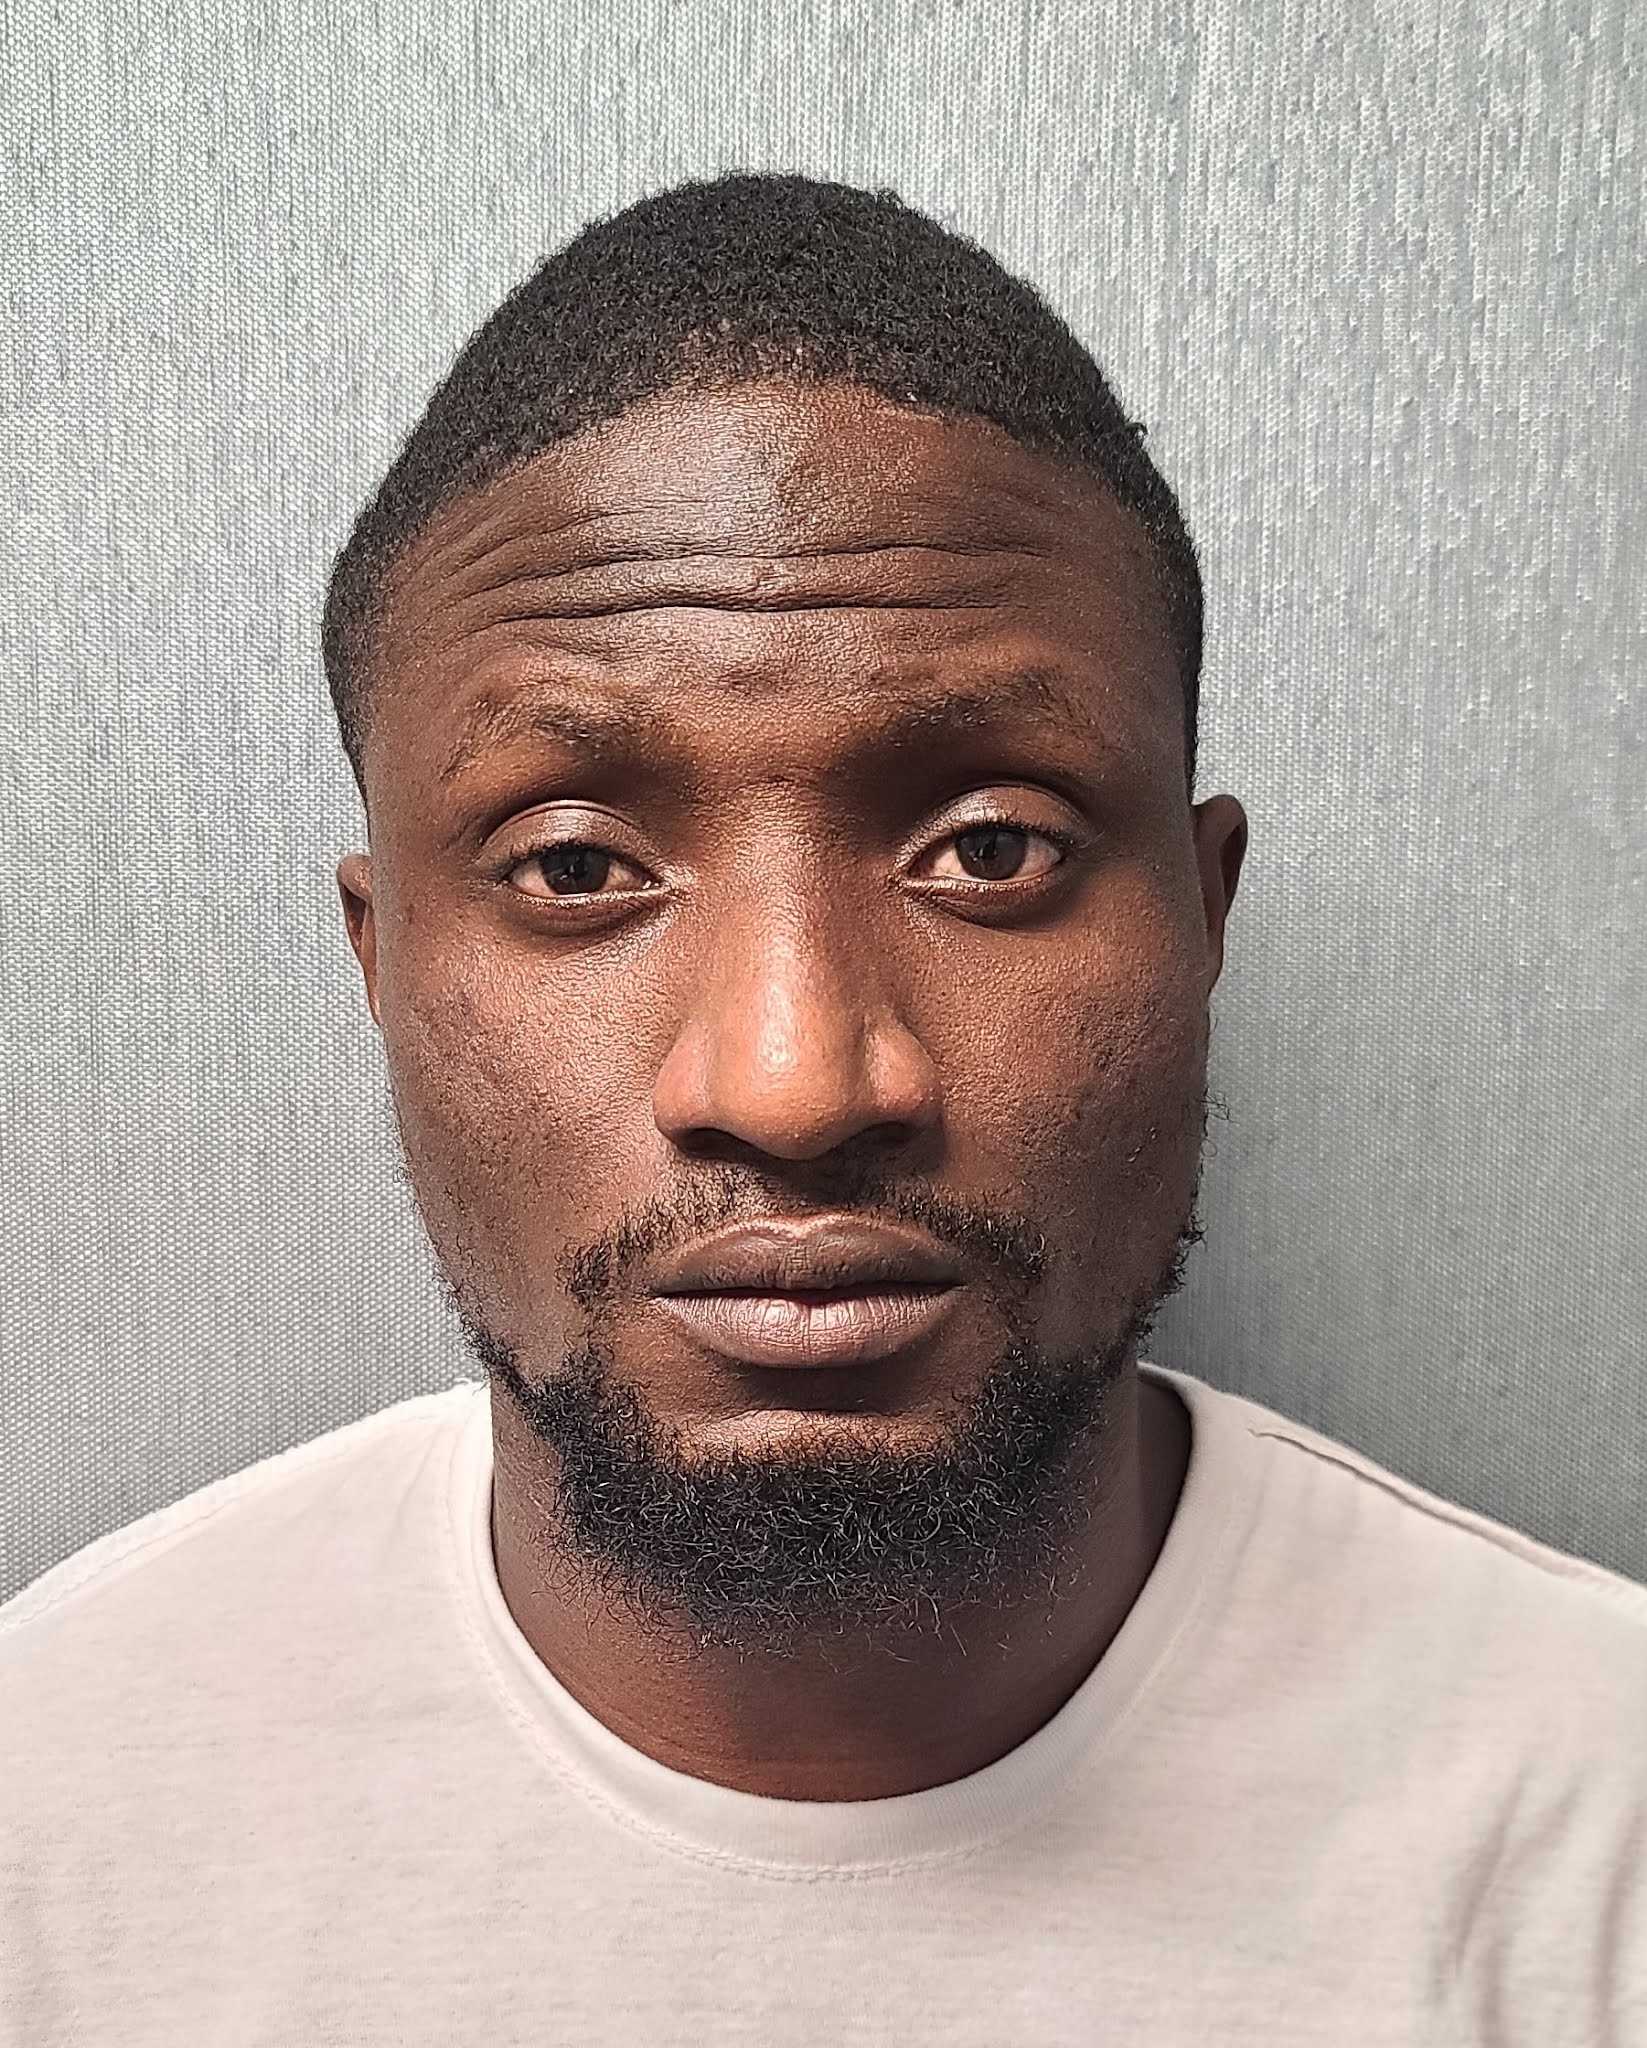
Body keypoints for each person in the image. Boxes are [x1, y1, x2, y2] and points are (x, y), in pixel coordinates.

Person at [1, 172, 1642, 2047]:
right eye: (574, 867)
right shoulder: (50, 1828)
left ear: (1204, 920)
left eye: (993, 847)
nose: (793, 1086)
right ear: (382, 965)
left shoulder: (1595, 1833)